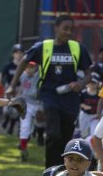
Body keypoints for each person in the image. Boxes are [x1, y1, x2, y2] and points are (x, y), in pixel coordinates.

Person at [11, 16, 92, 167]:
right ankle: (50, 169)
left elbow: (89, 74)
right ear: (56, 28)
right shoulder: (43, 47)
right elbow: (24, 61)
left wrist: (80, 83)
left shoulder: (78, 48)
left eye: (71, 29)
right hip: (50, 96)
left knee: (66, 138)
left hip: (70, 99)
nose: (68, 32)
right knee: (53, 133)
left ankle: (62, 169)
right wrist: (12, 85)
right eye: (65, 28)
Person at [16, 61, 40, 161]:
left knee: (35, 127)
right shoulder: (23, 75)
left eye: (32, 67)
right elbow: (21, 88)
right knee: (24, 127)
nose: (29, 69)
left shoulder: (39, 75)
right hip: (26, 104)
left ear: (36, 68)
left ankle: (28, 140)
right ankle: (23, 149)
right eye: (27, 67)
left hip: (39, 104)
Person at [77, 73, 101, 139]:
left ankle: (92, 146)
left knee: (94, 133)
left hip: (95, 116)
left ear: (97, 84)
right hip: (85, 114)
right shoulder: (83, 93)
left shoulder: (100, 94)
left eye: (94, 83)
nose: (92, 84)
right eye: (90, 83)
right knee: (83, 133)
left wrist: (100, 114)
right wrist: (84, 106)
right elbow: (79, 102)